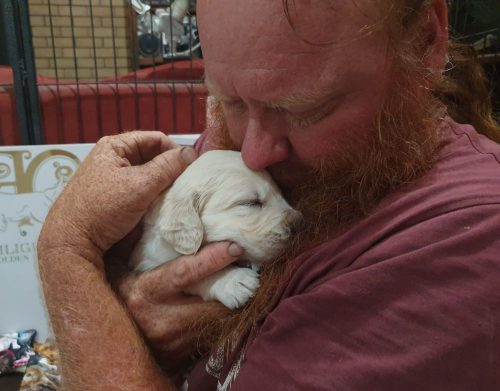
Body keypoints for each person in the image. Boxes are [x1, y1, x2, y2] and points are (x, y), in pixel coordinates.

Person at [37, 0, 500, 390]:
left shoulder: (470, 238)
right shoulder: (261, 150)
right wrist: (132, 303)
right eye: (228, 100)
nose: (254, 154)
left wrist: (68, 253)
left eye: (306, 108)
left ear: (423, 41)